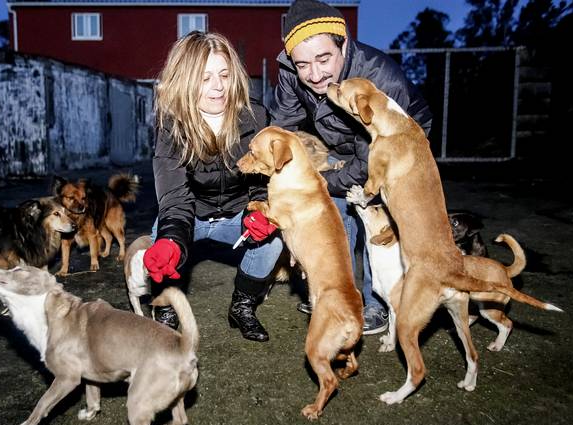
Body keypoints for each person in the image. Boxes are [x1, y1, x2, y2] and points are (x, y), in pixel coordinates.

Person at [270, 0, 433, 334]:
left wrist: (319, 180)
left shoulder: (377, 80)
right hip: (342, 139)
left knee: (376, 211)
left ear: (342, 42)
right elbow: (282, 128)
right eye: (303, 64)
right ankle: (340, 295)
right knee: (333, 209)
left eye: (324, 59)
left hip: (396, 142)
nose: (314, 75)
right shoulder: (291, 72)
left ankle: (379, 305)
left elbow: (367, 163)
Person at [144, 31, 283, 342]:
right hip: (191, 213)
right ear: (186, 80)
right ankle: (165, 307)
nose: (218, 87)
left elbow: (265, 175)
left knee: (273, 241)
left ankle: (243, 305)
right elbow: (174, 194)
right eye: (205, 78)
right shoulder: (171, 124)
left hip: (236, 214)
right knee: (161, 241)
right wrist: (172, 237)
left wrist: (261, 208)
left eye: (223, 74)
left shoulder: (255, 115)